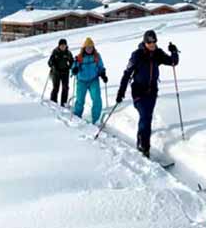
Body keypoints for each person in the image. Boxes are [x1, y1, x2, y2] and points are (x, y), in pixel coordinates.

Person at [116, 30, 179, 158]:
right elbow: (127, 74)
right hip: (138, 91)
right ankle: (144, 147)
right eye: (149, 42)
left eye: (154, 42)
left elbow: (173, 62)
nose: (152, 44)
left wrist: (174, 51)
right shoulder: (137, 55)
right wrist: (121, 92)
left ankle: (142, 141)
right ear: (145, 42)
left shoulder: (158, 53)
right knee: (145, 116)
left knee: (147, 117)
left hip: (152, 91)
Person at [71, 37, 108, 124]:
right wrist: (74, 70)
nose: (89, 49)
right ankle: (77, 116)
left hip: (93, 80)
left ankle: (96, 119)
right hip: (81, 81)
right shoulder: (79, 57)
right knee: (80, 100)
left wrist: (103, 74)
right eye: (87, 48)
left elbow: (100, 67)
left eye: (91, 47)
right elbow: (73, 69)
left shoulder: (96, 56)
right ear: (84, 48)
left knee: (97, 99)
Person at [47, 38, 73, 106]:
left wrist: (71, 66)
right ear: (59, 46)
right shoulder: (55, 52)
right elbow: (49, 62)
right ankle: (53, 101)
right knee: (56, 87)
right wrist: (51, 63)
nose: (63, 47)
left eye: (64, 45)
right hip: (56, 72)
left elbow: (72, 61)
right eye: (61, 45)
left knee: (65, 87)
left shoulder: (68, 53)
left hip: (65, 72)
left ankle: (63, 103)